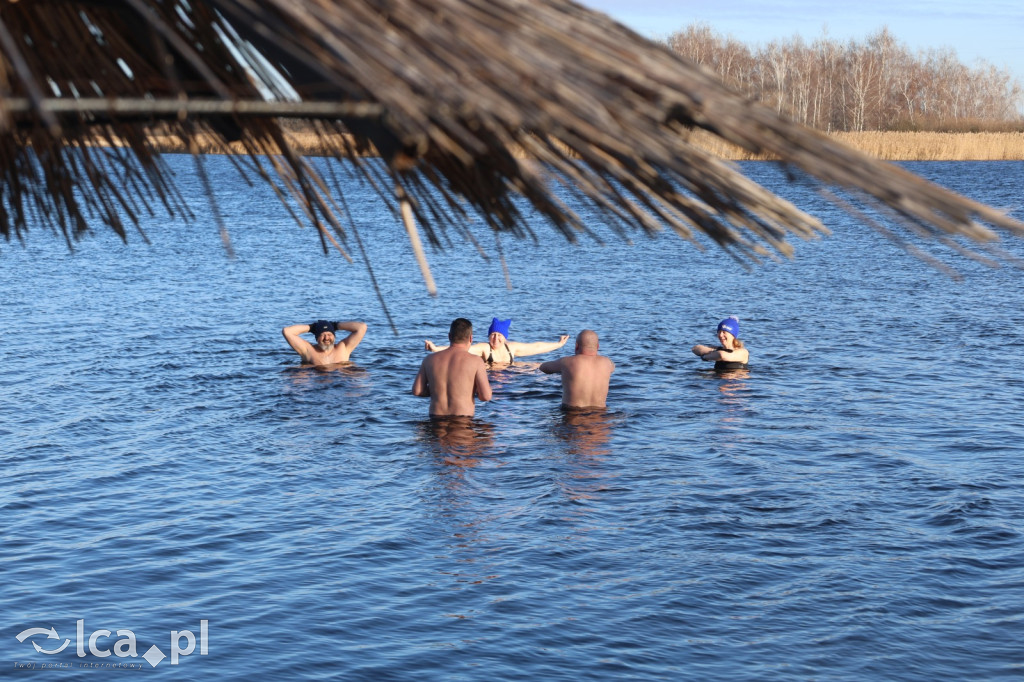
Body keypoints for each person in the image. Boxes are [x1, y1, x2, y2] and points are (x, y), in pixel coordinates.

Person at [413, 318, 493, 417]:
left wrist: (435, 389)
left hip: (435, 420)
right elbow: (486, 396)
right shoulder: (476, 361)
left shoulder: (429, 359)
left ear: (449, 336)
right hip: (462, 422)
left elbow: (417, 391)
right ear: (471, 338)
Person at [424, 317, 569, 365]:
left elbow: (536, 347)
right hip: (492, 378)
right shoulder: (485, 349)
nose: (495, 338)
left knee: (536, 367)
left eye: (499, 335)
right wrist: (435, 349)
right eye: (493, 334)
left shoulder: (511, 348)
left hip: (509, 375)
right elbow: (461, 348)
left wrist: (558, 344)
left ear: (505, 337)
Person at [539, 329, 615, 408]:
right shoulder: (607, 363)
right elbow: (613, 367)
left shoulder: (567, 362)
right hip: (600, 415)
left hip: (573, 414)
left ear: (576, 346)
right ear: (598, 347)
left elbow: (543, 368)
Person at [282, 319, 368, 366]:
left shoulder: (344, 348)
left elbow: (362, 327)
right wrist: (312, 327)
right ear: (317, 338)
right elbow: (287, 331)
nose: (326, 338)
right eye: (322, 335)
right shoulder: (308, 350)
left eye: (329, 334)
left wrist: (335, 325)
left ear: (334, 336)